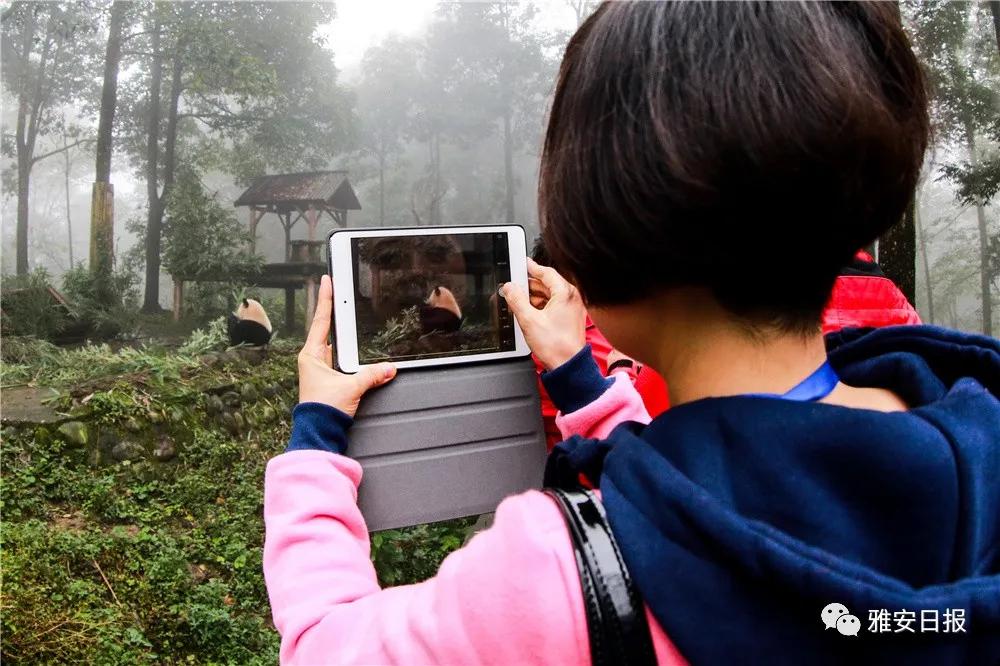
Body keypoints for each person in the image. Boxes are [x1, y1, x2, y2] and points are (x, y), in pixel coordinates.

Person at [263, 3, 1000, 664]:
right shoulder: (973, 452)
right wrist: (582, 380)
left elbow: (330, 643)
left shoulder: (550, 575)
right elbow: (734, 487)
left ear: (607, 223)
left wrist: (317, 438)